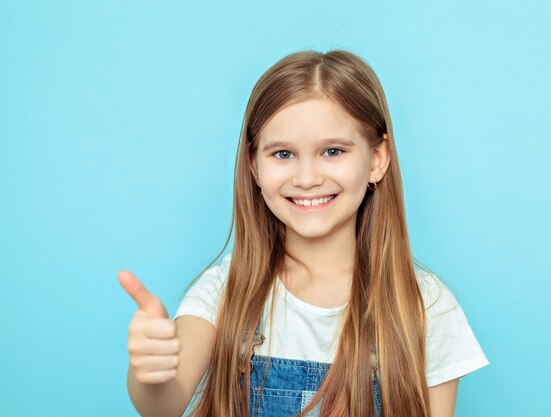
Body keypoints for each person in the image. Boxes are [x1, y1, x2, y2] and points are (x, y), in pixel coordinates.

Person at [118, 49, 489, 417]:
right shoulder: (222, 293)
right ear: (253, 165)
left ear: (377, 159)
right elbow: (164, 405)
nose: (308, 178)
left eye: (332, 151)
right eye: (283, 154)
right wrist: (151, 374)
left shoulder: (426, 308)